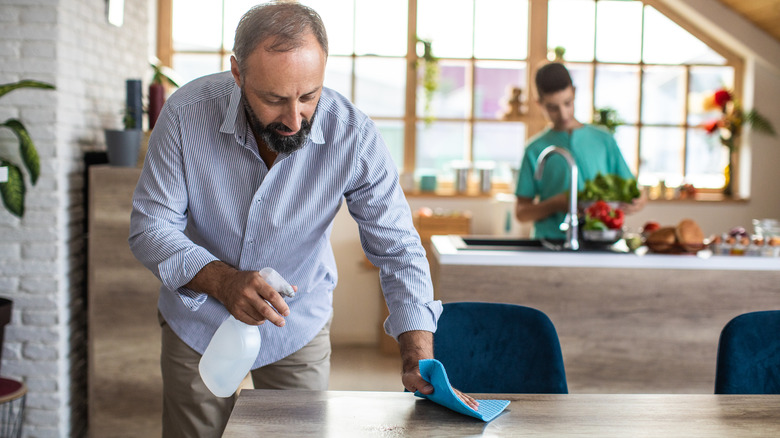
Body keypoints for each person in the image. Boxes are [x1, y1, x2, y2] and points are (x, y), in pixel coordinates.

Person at [128, 2, 476, 437]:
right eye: (274, 99)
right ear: (238, 74)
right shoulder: (184, 114)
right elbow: (151, 227)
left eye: (309, 96)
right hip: (197, 322)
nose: (294, 119)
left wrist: (416, 357)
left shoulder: (353, 134)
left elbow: (399, 248)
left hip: (296, 323)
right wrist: (222, 280)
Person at [515, 62, 646, 239]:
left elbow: (633, 190)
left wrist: (640, 199)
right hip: (549, 243)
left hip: (599, 240)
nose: (563, 114)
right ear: (539, 104)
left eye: (567, 103)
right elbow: (521, 213)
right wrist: (556, 204)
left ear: (574, 92)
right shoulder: (534, 148)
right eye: (553, 108)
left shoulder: (604, 140)